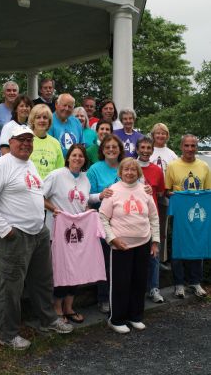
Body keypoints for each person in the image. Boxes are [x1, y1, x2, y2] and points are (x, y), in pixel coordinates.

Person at [0, 126, 73, 351]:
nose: (26, 144)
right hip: (15, 234)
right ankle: (8, 335)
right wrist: (5, 230)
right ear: (10, 142)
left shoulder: (29, 164)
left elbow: (35, 195)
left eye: (29, 140)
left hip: (37, 231)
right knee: (12, 287)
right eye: (21, 140)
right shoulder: (1, 165)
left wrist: (42, 223)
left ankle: (48, 320)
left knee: (42, 281)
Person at [99, 158, 160, 333]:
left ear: (138, 172)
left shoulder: (145, 191)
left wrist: (154, 241)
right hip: (120, 245)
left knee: (139, 281)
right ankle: (116, 319)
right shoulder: (113, 191)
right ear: (120, 172)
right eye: (126, 169)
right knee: (120, 283)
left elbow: (154, 217)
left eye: (133, 169)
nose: (130, 172)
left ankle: (135, 316)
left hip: (143, 242)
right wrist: (112, 239)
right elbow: (102, 217)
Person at [43, 144, 92, 324]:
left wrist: (88, 213)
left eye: (81, 156)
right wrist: (55, 209)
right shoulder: (56, 176)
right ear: (68, 157)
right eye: (74, 155)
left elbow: (83, 203)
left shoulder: (85, 179)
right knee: (61, 270)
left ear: (84, 159)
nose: (77, 159)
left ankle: (69, 307)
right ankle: (57, 308)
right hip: (57, 231)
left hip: (77, 235)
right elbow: (40, 197)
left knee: (75, 271)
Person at [165, 134, 211, 298]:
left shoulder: (204, 166)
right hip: (180, 213)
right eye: (187, 146)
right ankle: (179, 284)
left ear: (196, 147)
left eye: (193, 146)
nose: (190, 149)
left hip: (198, 217)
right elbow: (166, 190)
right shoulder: (172, 166)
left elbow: (207, 192)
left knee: (197, 244)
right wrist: (179, 196)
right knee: (179, 245)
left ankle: (195, 282)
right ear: (181, 146)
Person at [87, 134, 124, 313]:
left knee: (121, 260)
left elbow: (138, 185)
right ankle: (103, 298)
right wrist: (101, 195)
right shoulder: (94, 169)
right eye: (107, 147)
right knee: (104, 261)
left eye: (114, 147)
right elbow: (87, 197)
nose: (111, 149)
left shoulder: (126, 167)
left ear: (120, 150)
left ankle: (121, 296)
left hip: (125, 222)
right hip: (103, 221)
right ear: (102, 150)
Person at [136, 136, 165, 303]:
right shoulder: (131, 166)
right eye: (143, 148)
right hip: (133, 217)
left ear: (152, 150)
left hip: (151, 218)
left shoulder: (157, 170)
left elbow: (160, 193)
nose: (146, 151)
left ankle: (154, 288)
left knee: (154, 254)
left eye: (149, 148)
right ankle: (138, 289)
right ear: (137, 149)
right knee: (137, 256)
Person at [150, 123, 178, 267]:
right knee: (149, 227)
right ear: (153, 135)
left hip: (165, 196)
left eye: (163, 133)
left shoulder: (171, 154)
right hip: (150, 196)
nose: (161, 135)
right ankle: (149, 257)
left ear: (167, 136)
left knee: (162, 228)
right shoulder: (148, 150)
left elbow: (176, 175)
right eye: (158, 133)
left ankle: (161, 259)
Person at [28, 103, 64, 179]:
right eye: (38, 117)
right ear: (33, 120)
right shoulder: (27, 140)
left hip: (50, 187)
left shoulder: (55, 143)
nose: (42, 120)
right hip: (30, 186)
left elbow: (60, 170)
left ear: (49, 122)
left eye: (45, 118)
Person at [0, 81, 19, 156]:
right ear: (3, 93)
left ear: (18, 94)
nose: (12, 93)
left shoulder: (22, 110)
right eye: (8, 90)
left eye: (14, 90)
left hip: (18, 154)